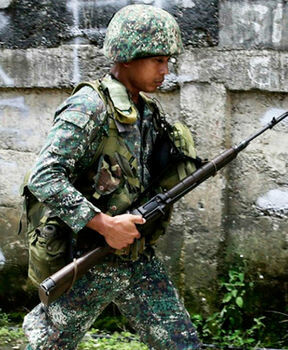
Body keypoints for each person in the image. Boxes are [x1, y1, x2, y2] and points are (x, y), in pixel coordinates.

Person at [20, 4, 201, 349]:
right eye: (158, 60)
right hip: (87, 262)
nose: (166, 70)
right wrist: (104, 225)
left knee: (181, 343)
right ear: (129, 56)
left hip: (136, 259)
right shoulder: (90, 107)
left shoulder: (146, 111)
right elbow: (44, 176)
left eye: (168, 61)